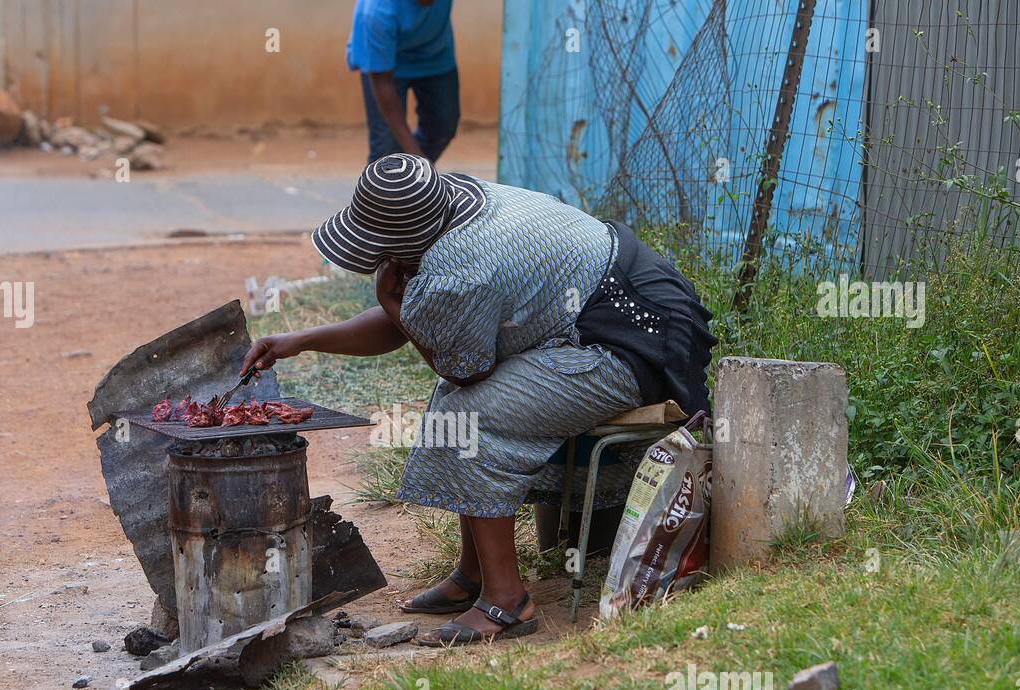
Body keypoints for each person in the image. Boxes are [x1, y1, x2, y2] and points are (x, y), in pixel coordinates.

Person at [242, 155, 716, 646]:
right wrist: (299, 339)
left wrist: (391, 304)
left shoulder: (460, 265)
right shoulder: (456, 201)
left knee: (469, 416)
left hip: (637, 343)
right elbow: (418, 323)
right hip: (618, 307)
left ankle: (508, 601)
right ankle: (472, 575)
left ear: (405, 246)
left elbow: (463, 368)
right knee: (457, 404)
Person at [347, 0, 459, 164]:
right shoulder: (376, 13)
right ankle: (387, 181)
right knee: (386, 149)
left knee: (442, 128)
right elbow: (382, 82)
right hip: (382, 62)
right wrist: (413, 152)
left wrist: (418, 162)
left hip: (435, 53)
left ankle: (408, 177)